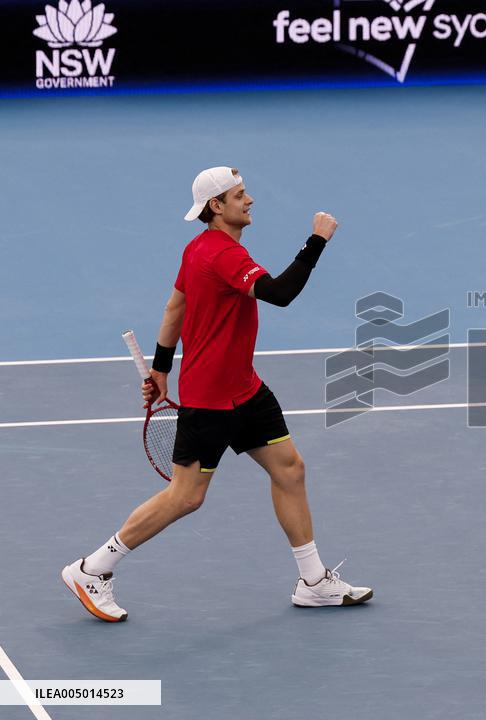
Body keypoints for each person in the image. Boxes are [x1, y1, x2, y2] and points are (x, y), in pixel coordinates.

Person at [62, 166, 372, 622]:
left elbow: (175, 308)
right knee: (186, 497)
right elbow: (280, 293)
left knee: (290, 469)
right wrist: (316, 241)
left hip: (245, 388)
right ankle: (93, 568)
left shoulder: (197, 250)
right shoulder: (222, 256)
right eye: (239, 195)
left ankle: (313, 582)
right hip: (210, 399)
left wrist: (163, 368)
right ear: (216, 206)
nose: (249, 201)